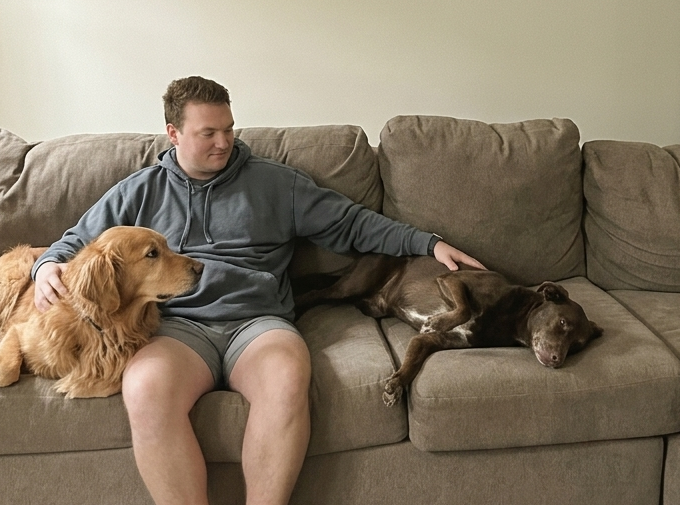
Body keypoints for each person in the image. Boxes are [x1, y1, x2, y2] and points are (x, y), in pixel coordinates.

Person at [32, 76, 483, 505]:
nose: (224, 142)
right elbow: (76, 241)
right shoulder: (138, 191)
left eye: (228, 129)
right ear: (174, 133)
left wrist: (428, 243)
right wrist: (47, 266)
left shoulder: (275, 183)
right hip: (177, 327)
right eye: (208, 132)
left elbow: (352, 224)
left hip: (258, 322)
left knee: (287, 377)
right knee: (145, 387)